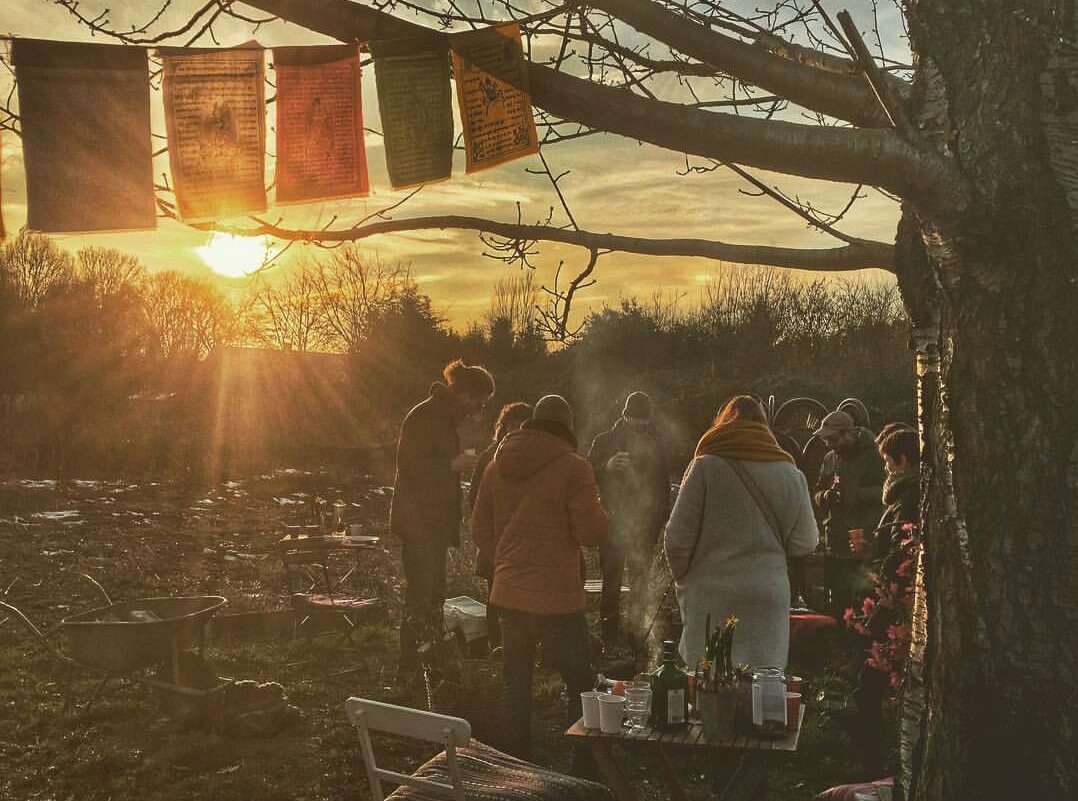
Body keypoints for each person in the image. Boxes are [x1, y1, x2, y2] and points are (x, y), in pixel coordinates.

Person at [471, 395, 608, 766]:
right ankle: (583, 766)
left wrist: (506, 562)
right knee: (579, 680)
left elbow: (479, 528)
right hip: (557, 597)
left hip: (509, 594)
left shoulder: (496, 466)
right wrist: (604, 513)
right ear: (568, 426)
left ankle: (515, 764)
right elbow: (591, 533)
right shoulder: (574, 467)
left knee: (515, 681)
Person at [665, 395, 818, 671]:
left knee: (709, 677)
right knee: (763, 682)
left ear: (723, 425)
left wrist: (686, 579)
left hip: (710, 593)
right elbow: (805, 543)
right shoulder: (792, 474)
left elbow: (676, 540)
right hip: (767, 594)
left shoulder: (705, 467)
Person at [391, 359, 495, 681]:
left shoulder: (444, 420)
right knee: (421, 596)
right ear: (464, 395)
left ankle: (430, 660)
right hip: (418, 522)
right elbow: (410, 467)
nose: (479, 410)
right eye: (479, 403)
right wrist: (452, 465)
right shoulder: (424, 417)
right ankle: (410, 666)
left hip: (433, 524)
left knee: (435, 596)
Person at [846, 426, 921, 774]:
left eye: (888, 461)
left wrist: (877, 570)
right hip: (892, 601)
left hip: (893, 604)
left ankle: (874, 762)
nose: (885, 469)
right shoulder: (906, 495)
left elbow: (900, 553)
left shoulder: (908, 497)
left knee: (871, 683)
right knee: (870, 681)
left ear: (902, 460)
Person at [587, 391, 670, 652]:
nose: (640, 424)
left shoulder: (656, 443)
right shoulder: (604, 441)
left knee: (640, 583)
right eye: (636, 419)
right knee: (611, 581)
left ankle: (637, 637)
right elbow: (585, 477)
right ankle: (609, 637)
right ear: (625, 415)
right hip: (612, 522)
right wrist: (607, 466)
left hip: (645, 524)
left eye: (644, 420)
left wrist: (658, 520)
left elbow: (662, 486)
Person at [468, 401, 533, 648]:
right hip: (495, 539)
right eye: (512, 425)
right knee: (496, 596)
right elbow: (474, 498)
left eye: (523, 426)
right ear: (503, 427)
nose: (517, 431)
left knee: (522, 597)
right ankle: (497, 645)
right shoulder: (490, 456)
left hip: (523, 540)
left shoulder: (535, 458)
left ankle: (519, 646)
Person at [812, 409, 884, 613]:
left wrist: (856, 494)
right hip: (836, 544)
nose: (828, 444)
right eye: (826, 440)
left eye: (832, 439)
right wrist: (825, 497)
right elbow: (817, 491)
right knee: (837, 606)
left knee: (865, 605)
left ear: (847, 434)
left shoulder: (875, 455)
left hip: (865, 546)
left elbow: (887, 491)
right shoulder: (830, 458)